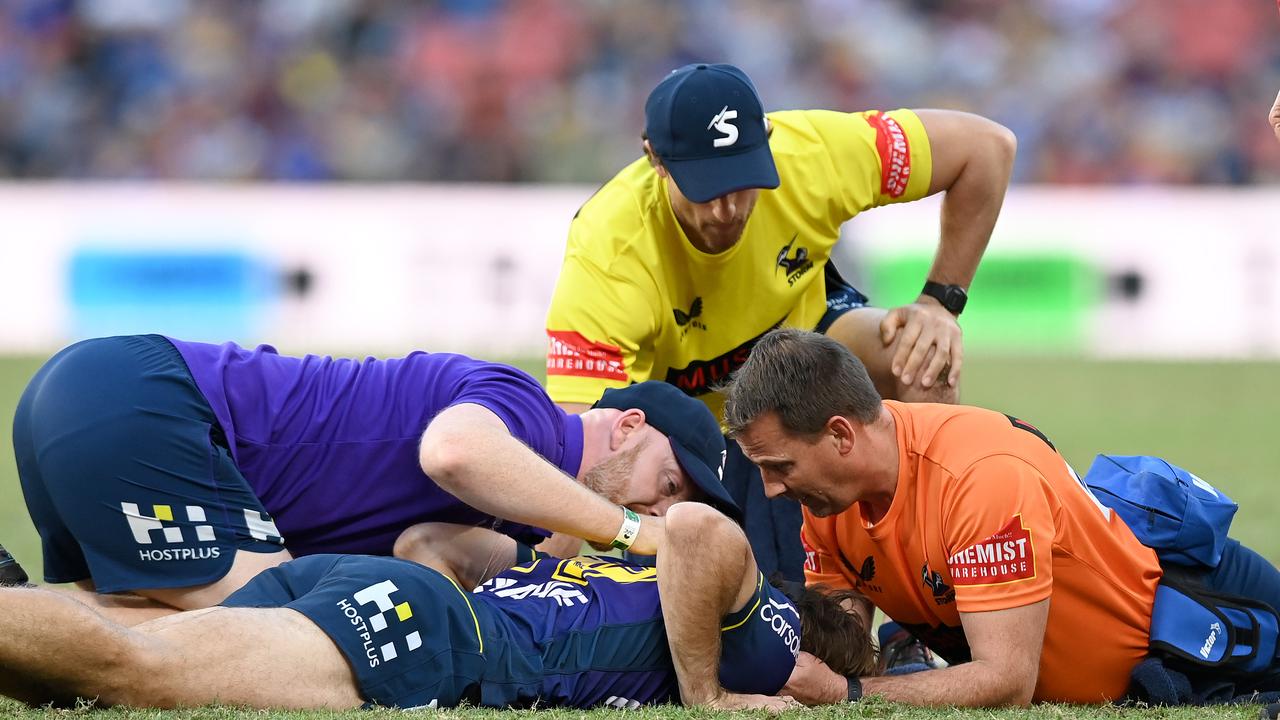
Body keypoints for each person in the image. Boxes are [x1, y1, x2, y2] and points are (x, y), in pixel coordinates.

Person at [543, 62, 1016, 580]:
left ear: (767, 139)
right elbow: (578, 441)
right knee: (749, 591)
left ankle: (926, 598)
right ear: (655, 159)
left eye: (743, 181)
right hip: (681, 422)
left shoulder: (812, 153)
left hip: (799, 350)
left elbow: (987, 148)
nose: (727, 209)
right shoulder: (609, 248)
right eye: (706, 188)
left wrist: (939, 303)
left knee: (923, 356)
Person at [721, 328, 1280, 706]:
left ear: (841, 434)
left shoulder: (978, 477)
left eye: (780, 466)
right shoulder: (826, 497)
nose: (770, 490)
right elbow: (842, 646)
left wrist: (851, 695)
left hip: (1216, 637)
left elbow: (1008, 682)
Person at [11, 334, 736, 618]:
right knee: (278, 637)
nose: (660, 504)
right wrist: (631, 531)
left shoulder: (531, 503)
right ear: (630, 427)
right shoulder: (532, 414)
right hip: (148, 405)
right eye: (669, 482)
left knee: (116, 635)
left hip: (99, 396)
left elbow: (424, 547)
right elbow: (454, 453)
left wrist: (570, 551)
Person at [0, 504, 872, 711]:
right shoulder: (764, 636)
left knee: (95, 661)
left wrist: (543, 557)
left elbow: (427, 543)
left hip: (381, 586)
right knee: (137, 671)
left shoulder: (622, 581)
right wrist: (712, 695)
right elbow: (698, 530)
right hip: (427, 635)